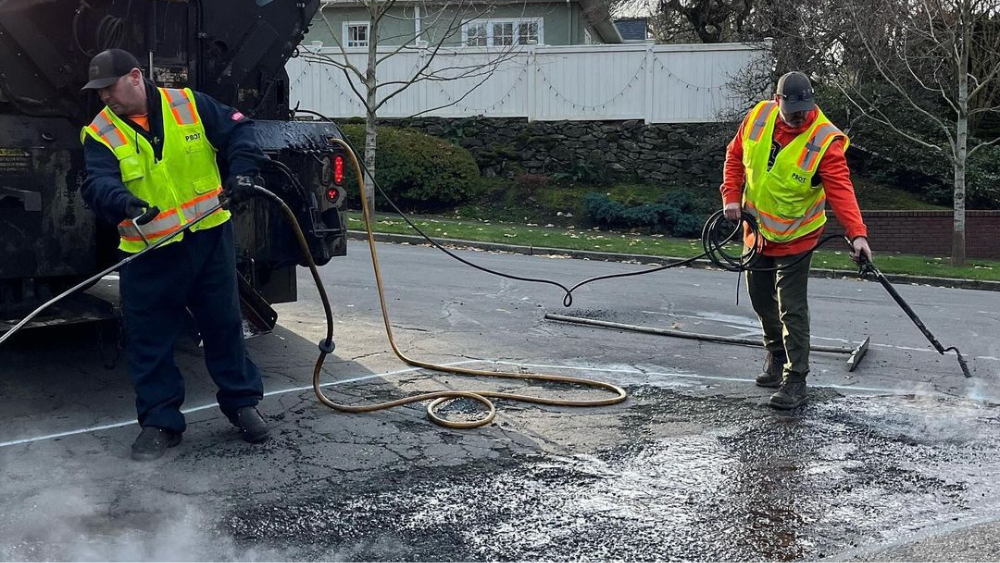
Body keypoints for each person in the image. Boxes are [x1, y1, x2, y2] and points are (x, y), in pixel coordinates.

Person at [80, 49, 269, 460]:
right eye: (98, 93)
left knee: (222, 326)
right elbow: (97, 184)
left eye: (109, 88)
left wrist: (242, 173)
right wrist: (125, 203)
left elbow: (240, 130)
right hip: (149, 252)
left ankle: (241, 405)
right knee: (150, 341)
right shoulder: (99, 132)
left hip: (208, 239)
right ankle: (160, 423)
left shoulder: (188, 104)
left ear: (134, 76)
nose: (105, 98)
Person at [719, 71, 873, 410]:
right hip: (756, 233)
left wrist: (857, 235)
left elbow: (842, 192)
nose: (801, 116)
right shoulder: (758, 117)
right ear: (778, 102)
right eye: (793, 110)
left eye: (805, 108)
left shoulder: (825, 140)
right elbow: (734, 157)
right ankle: (775, 355)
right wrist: (731, 197)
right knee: (760, 300)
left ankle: (796, 378)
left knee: (793, 308)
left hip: (797, 238)